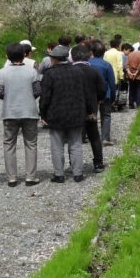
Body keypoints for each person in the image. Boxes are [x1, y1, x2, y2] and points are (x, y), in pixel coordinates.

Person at [40, 44, 88, 183]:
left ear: (54, 58)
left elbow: (45, 97)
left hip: (56, 114)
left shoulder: (50, 74)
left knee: (57, 146)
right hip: (76, 113)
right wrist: (88, 110)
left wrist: (43, 114)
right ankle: (78, 174)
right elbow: (84, 93)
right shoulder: (78, 71)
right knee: (76, 144)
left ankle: (59, 174)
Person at [0, 42, 41, 187]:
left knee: (9, 144)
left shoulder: (2, 72)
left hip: (10, 112)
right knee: (31, 144)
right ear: (24, 55)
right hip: (29, 112)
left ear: (7, 56)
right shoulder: (32, 71)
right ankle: (30, 176)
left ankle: (12, 178)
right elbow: (37, 92)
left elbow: (0, 93)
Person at [71, 43, 107, 173]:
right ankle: (98, 163)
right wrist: (98, 100)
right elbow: (102, 89)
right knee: (94, 137)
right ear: (88, 56)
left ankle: (74, 164)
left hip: (73, 109)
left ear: (72, 57)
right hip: (91, 109)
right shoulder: (94, 71)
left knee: (74, 138)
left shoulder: (69, 71)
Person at [88, 41, 116, 147]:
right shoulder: (107, 65)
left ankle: (90, 136)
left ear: (92, 52)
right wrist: (113, 97)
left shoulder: (87, 63)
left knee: (90, 115)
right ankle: (105, 138)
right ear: (104, 53)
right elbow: (112, 83)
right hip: (105, 94)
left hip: (90, 94)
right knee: (106, 115)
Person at [125, 42, 140, 109]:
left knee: (131, 89)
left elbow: (127, 65)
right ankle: (139, 104)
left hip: (130, 76)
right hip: (139, 76)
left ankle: (131, 104)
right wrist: (136, 73)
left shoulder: (131, 54)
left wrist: (129, 73)